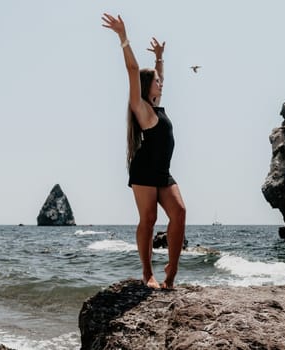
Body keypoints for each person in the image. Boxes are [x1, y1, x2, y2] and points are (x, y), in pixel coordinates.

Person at [102, 13, 186, 289]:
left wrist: (160, 57)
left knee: (180, 213)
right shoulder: (141, 107)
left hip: (162, 172)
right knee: (148, 219)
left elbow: (158, 75)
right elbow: (133, 70)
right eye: (157, 82)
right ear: (147, 87)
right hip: (144, 170)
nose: (161, 83)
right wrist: (123, 36)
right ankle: (147, 273)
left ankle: (171, 271)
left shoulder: (157, 105)